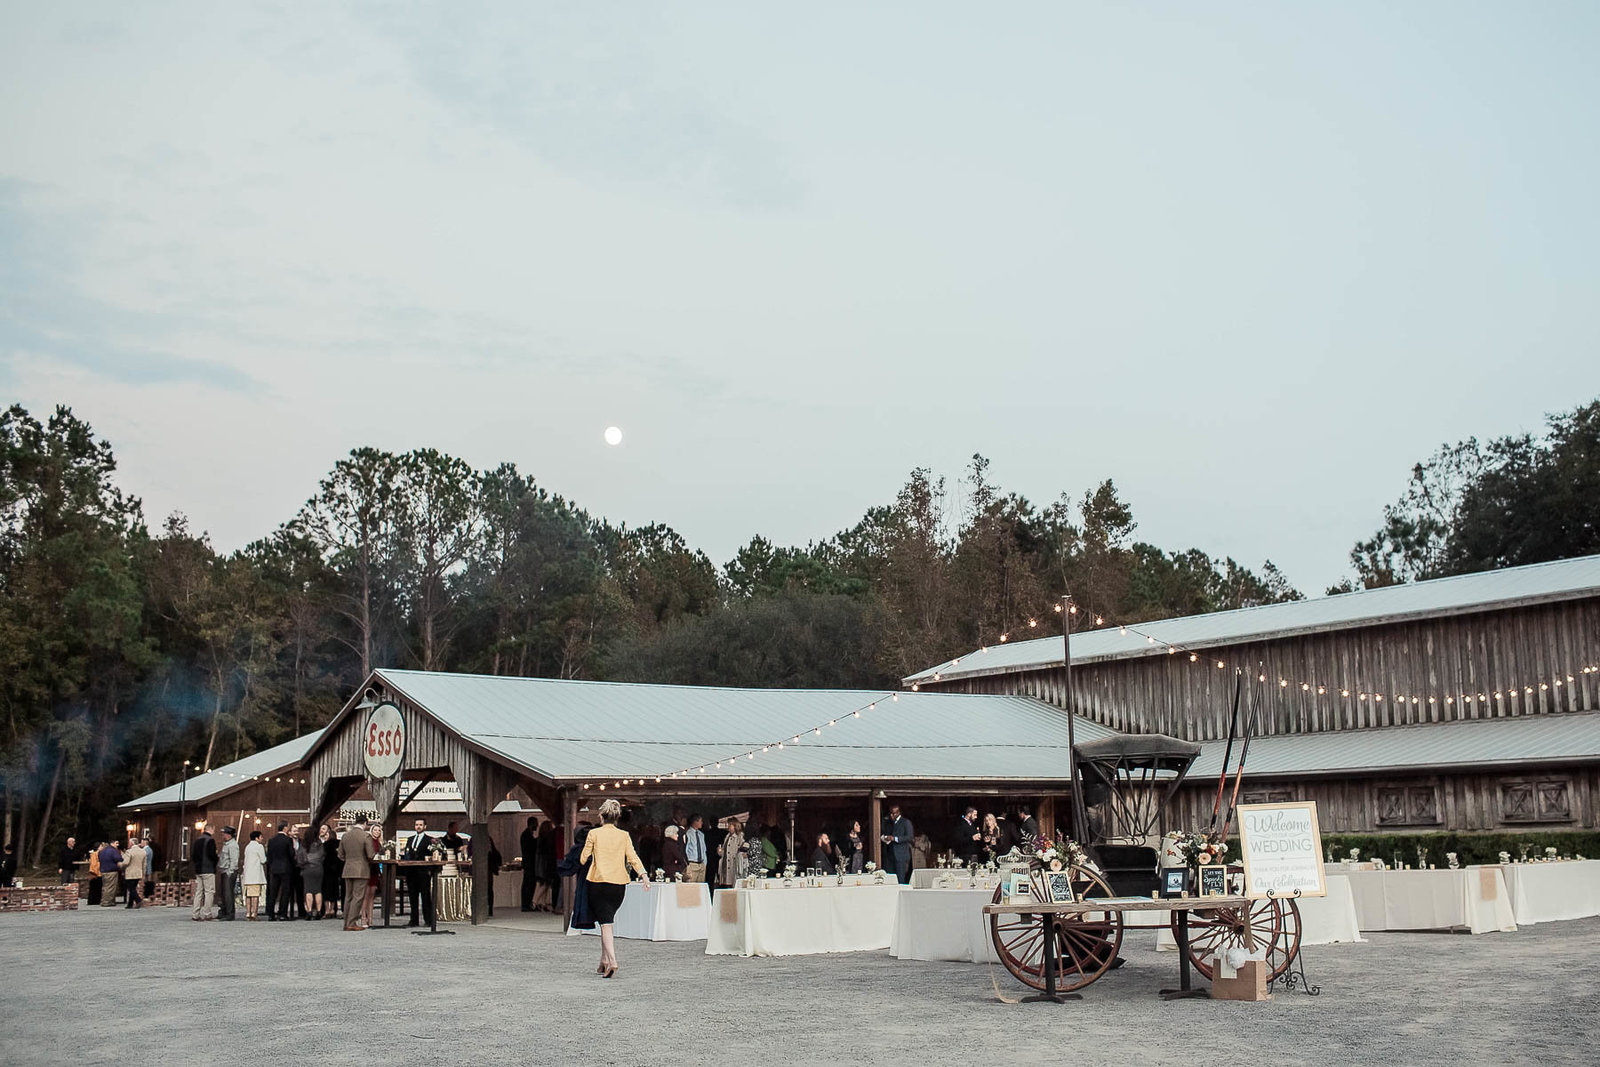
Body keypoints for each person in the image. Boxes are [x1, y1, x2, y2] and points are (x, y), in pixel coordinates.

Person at [579, 798, 649, 978]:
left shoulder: (593, 834)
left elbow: (583, 858)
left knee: (605, 924)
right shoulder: (624, 835)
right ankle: (603, 961)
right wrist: (643, 875)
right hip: (618, 885)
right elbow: (633, 857)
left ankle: (612, 961)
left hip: (598, 882)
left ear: (601, 816)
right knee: (607, 921)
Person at [337, 815, 376, 931]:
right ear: (365, 823)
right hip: (361, 869)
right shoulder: (366, 836)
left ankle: (346, 922)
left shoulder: (345, 836)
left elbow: (340, 854)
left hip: (348, 869)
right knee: (358, 897)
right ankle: (352, 922)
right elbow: (370, 855)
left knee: (348, 896)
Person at [556, 821, 596, 931]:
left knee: (584, 897)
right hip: (596, 878)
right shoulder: (592, 848)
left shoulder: (579, 849)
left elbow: (568, 867)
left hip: (585, 879)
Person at [402, 818, 436, 928]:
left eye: (421, 825)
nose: (418, 827)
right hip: (411, 871)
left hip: (423, 872)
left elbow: (432, 854)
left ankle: (428, 920)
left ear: (425, 826)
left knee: (425, 896)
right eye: (416, 824)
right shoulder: (410, 839)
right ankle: (414, 920)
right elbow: (407, 854)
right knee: (412, 896)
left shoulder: (429, 840)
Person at [264, 822, 295, 921]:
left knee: (273, 892)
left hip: (274, 868)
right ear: (285, 828)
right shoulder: (288, 840)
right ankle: (282, 913)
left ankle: (271, 914)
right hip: (285, 868)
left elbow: (268, 856)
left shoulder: (272, 840)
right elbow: (291, 854)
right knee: (285, 892)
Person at [299, 825, 327, 921]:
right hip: (319, 868)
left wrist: (302, 865)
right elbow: (323, 856)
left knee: (308, 890)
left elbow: (300, 857)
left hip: (307, 868)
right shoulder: (319, 844)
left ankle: (309, 911)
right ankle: (318, 912)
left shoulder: (304, 844)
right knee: (318, 890)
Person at [881, 805, 914, 886]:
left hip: (901, 855)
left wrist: (895, 839)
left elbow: (910, 837)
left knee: (900, 879)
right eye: (891, 814)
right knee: (890, 878)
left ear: (899, 813)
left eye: (894, 814)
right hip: (890, 854)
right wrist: (886, 838)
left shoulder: (906, 822)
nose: (892, 816)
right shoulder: (888, 822)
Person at [191, 824, 218, 920]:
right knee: (209, 891)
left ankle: (195, 914)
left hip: (198, 869)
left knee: (199, 892)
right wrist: (216, 861)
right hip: (208, 869)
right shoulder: (210, 840)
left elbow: (193, 855)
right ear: (210, 829)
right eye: (213, 829)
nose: (214, 831)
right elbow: (212, 855)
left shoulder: (197, 840)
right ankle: (207, 913)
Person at [242, 830, 268, 921]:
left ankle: (248, 912)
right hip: (256, 875)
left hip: (248, 875)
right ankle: (254, 913)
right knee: (255, 895)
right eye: (261, 837)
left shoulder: (247, 847)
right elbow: (263, 860)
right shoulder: (259, 846)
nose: (262, 838)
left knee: (248, 895)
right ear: (256, 838)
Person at [319, 825, 342, 919]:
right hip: (336, 870)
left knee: (326, 890)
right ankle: (333, 909)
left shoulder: (325, 845)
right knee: (334, 890)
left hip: (326, 869)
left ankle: (327, 910)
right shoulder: (339, 843)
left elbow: (321, 856)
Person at [363, 824, 384, 928]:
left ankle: (371, 918)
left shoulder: (380, 843)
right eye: (375, 830)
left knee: (372, 895)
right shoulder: (369, 841)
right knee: (366, 895)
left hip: (375, 869)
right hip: (368, 868)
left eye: (378, 830)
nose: (377, 832)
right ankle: (363, 918)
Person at [216, 827, 239, 921]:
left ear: (229, 834)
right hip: (224, 870)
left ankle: (230, 914)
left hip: (229, 871)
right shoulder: (226, 844)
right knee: (223, 893)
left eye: (224, 833)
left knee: (228, 894)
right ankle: (224, 911)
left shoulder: (233, 845)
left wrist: (230, 871)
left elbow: (234, 860)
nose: (223, 835)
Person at [716, 818, 746, 887]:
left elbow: (744, 849)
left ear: (735, 825)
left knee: (734, 884)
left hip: (734, 865)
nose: (728, 826)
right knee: (726, 884)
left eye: (730, 825)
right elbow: (724, 851)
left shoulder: (740, 836)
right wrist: (720, 851)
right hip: (725, 864)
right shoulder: (727, 837)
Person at [519, 816, 539, 912]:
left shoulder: (527, 835)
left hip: (529, 862)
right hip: (529, 863)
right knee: (528, 884)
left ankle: (527, 903)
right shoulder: (526, 835)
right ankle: (526, 904)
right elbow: (529, 848)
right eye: (536, 823)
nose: (537, 826)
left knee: (529, 883)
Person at [121, 836, 146, 908]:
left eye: (129, 843)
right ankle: (130, 904)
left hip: (130, 873)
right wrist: (143, 873)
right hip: (138, 872)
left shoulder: (129, 852)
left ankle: (138, 900)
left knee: (131, 888)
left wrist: (120, 864)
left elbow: (126, 862)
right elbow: (144, 864)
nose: (128, 844)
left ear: (132, 843)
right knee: (133, 888)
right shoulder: (143, 851)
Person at [683, 814, 707, 883]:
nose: (702, 823)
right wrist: (687, 865)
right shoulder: (688, 834)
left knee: (700, 887)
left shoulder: (701, 834)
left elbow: (704, 850)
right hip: (692, 864)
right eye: (700, 821)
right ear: (695, 822)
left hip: (701, 865)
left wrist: (704, 863)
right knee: (691, 887)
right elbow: (686, 850)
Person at [98, 840, 123, 906]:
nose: (117, 845)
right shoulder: (113, 851)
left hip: (103, 871)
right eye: (116, 843)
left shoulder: (103, 851)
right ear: (112, 843)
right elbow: (118, 859)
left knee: (105, 887)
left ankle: (104, 900)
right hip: (111, 871)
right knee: (111, 887)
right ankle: (107, 902)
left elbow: (99, 858)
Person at [487, 836, 502, 916]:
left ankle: (489, 908)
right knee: (489, 889)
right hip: (486, 869)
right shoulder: (488, 840)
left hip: (488, 869)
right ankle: (489, 908)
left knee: (489, 889)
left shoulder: (491, 851)